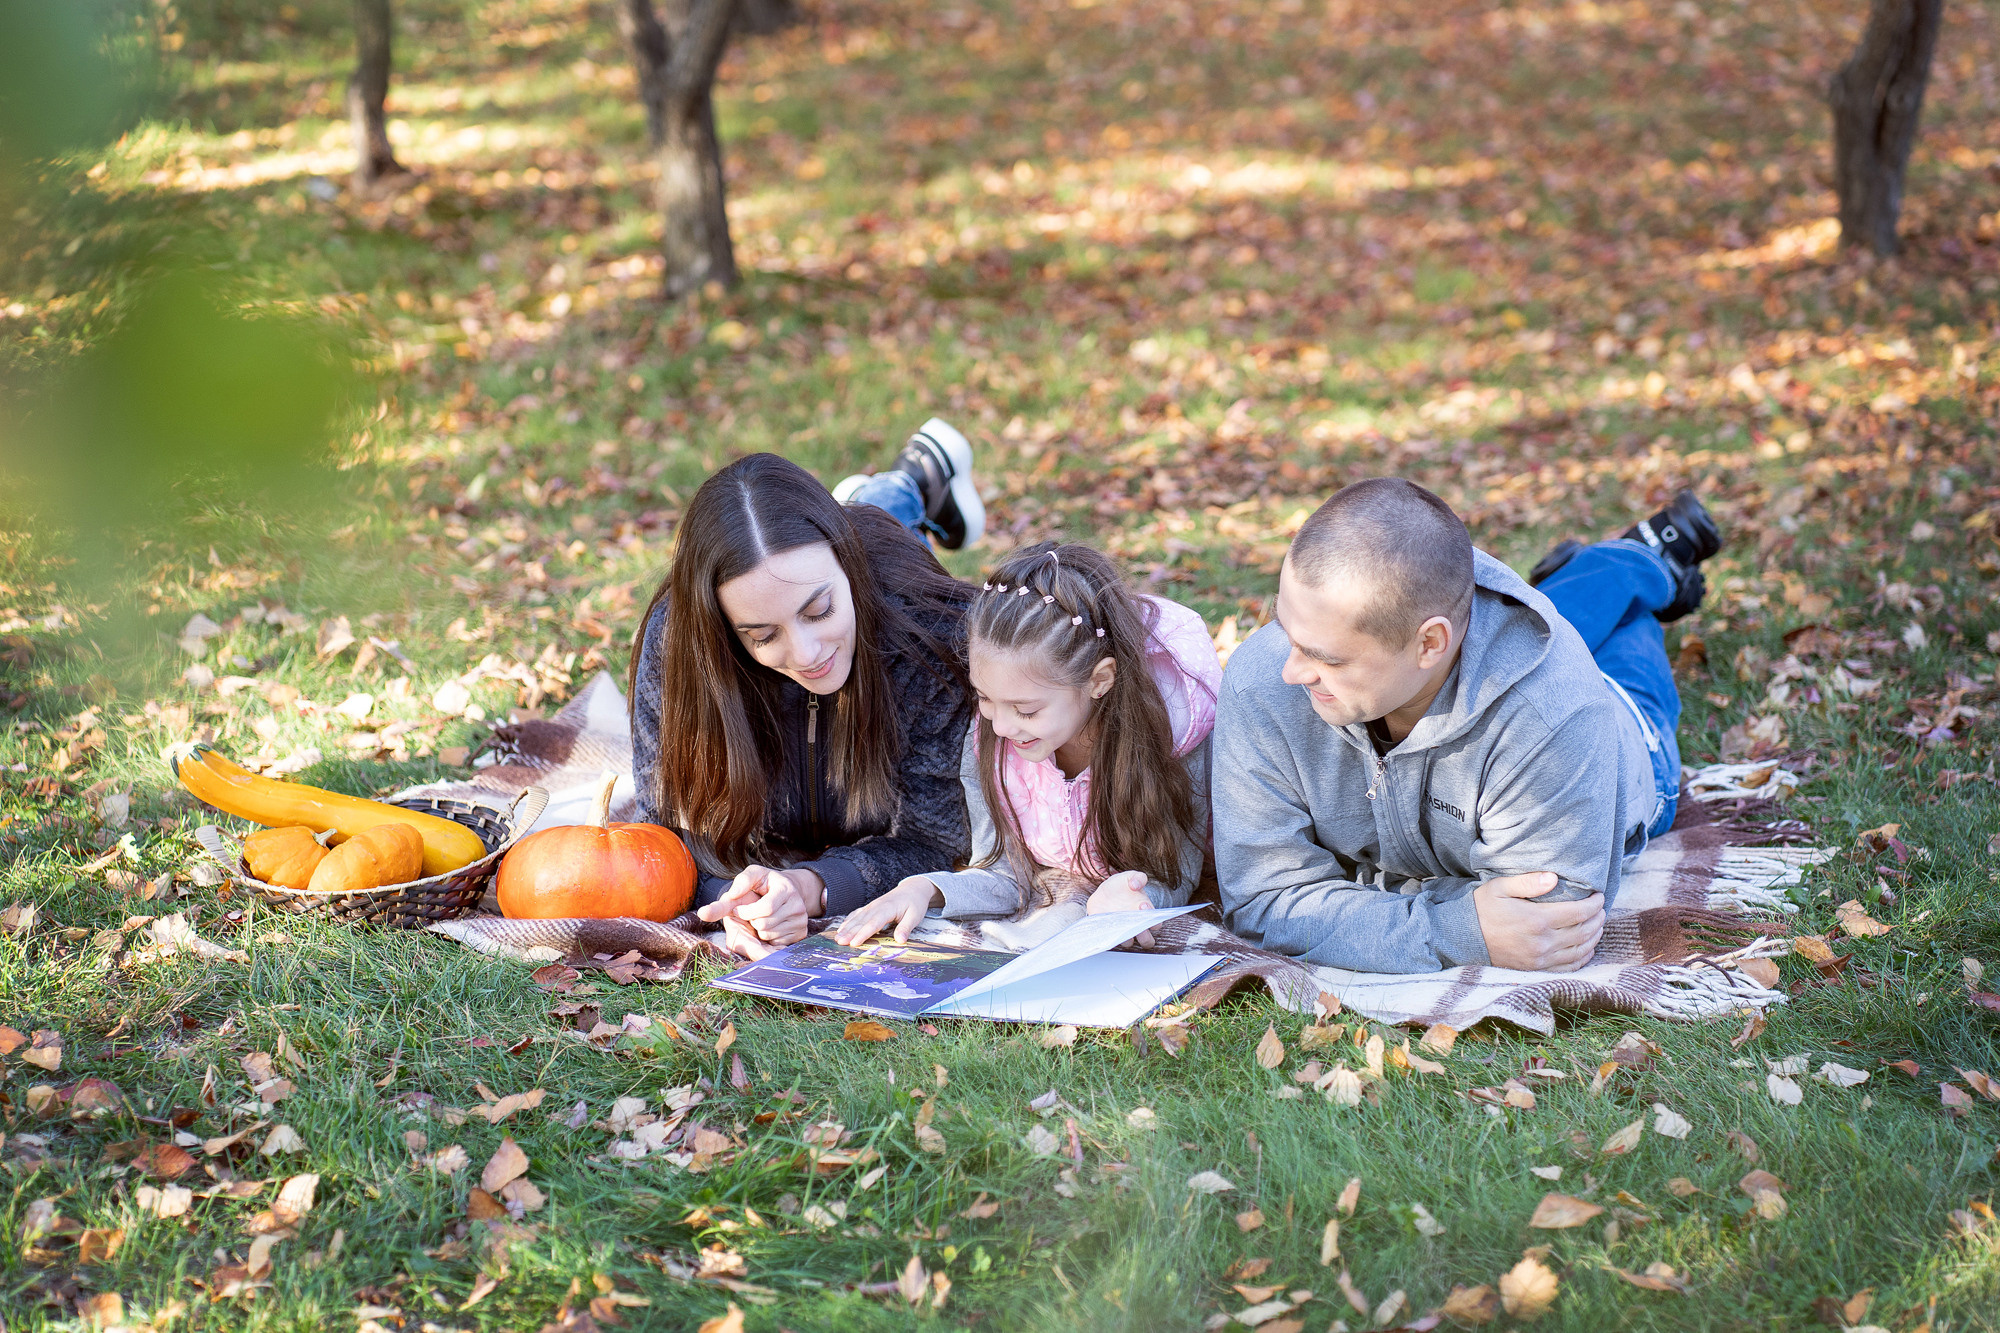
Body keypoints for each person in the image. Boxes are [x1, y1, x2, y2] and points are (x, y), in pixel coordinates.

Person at [1212, 479, 1718, 974]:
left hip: (1624, 724)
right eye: (1284, 627)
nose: (1290, 672)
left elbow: (1546, 918)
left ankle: (1638, 561)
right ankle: (1592, 573)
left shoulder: (1556, 712)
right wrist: (1457, 927)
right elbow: (1263, 897)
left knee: (1628, 636)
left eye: (1328, 659)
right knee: (1539, 629)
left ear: (1430, 643)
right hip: (1455, 666)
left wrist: (1349, 895)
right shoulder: (1261, 680)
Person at [626, 423, 984, 959]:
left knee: (886, 523)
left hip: (886, 570)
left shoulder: (926, 630)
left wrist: (815, 885)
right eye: (763, 635)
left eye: (820, 611)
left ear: (847, 569)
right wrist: (734, 901)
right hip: (835, 558)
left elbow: (938, 839)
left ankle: (909, 483)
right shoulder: (679, 648)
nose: (808, 652)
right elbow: (668, 835)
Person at [832, 542, 1221, 946]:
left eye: (1026, 710)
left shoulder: (1167, 738)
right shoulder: (990, 744)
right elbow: (1002, 871)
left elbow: (1177, 874)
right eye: (984, 698)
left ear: (1099, 681)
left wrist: (1137, 899)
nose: (1000, 726)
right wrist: (924, 889)